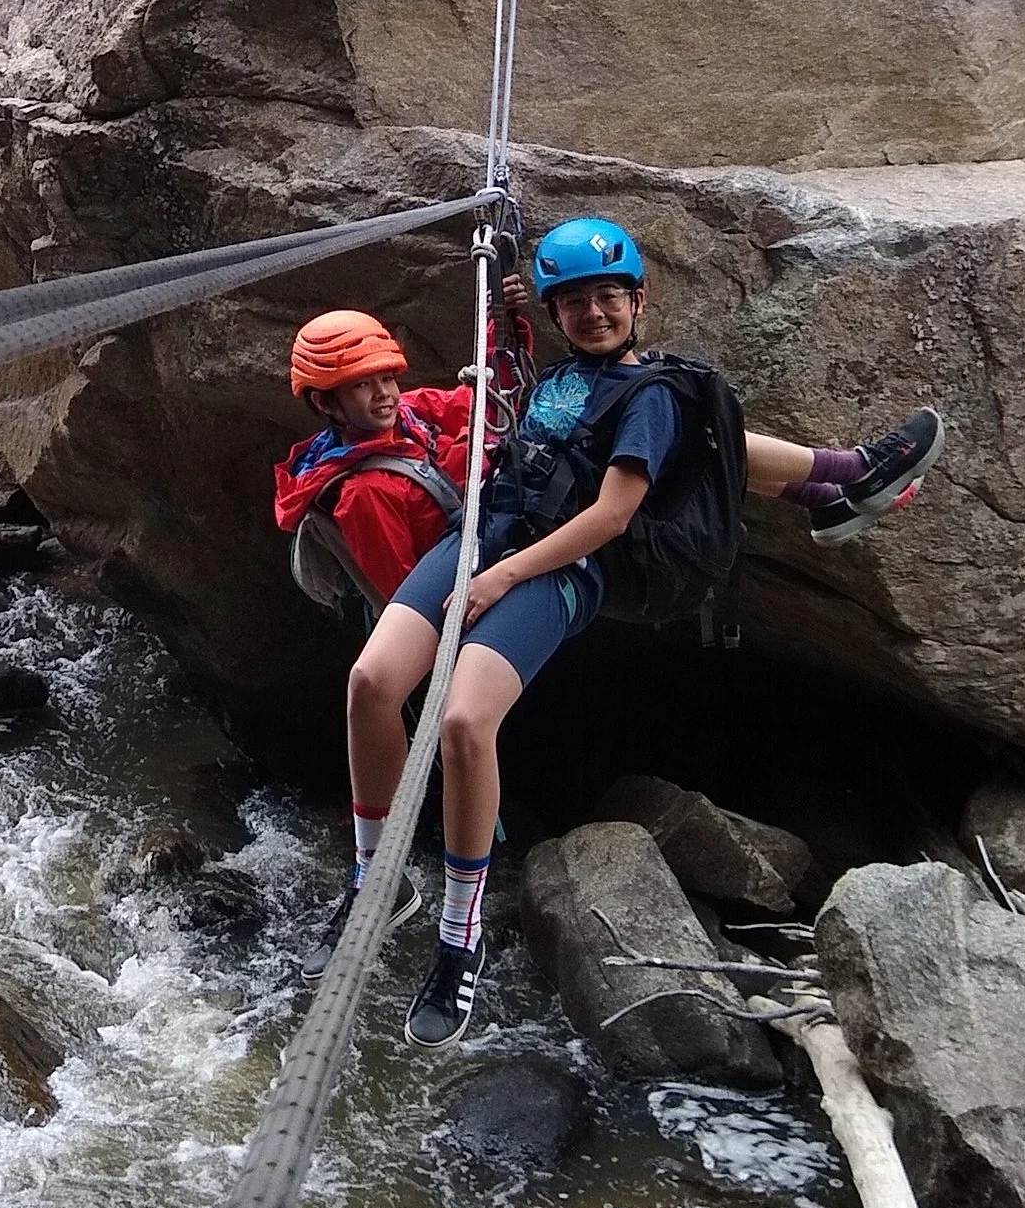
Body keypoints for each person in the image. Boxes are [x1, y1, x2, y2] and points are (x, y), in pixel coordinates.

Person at [290, 217, 944, 1051]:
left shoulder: (653, 395)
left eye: (609, 297)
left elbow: (612, 514)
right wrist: (517, 309)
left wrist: (504, 577)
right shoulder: (569, 375)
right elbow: (529, 402)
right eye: (578, 303)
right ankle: (376, 878)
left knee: (461, 721)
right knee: (371, 683)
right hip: (492, 529)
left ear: (640, 300)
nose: (595, 313)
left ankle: (460, 934)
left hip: (560, 565)